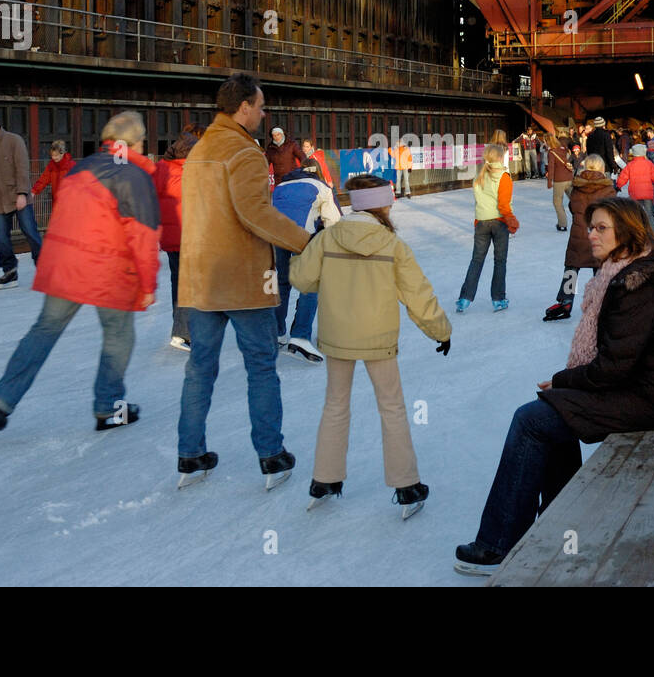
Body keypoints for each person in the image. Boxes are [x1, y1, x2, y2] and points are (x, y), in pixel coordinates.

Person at [455, 197, 654, 575]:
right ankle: (561, 519)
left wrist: (561, 380)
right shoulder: (636, 268)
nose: (591, 234)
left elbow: (612, 369)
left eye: (601, 228)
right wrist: (563, 387)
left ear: (627, 231)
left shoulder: (636, 284)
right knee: (554, 410)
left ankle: (498, 546)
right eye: (591, 227)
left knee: (533, 419)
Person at [0, 111, 161, 436]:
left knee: (44, 330)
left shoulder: (82, 168)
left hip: (65, 264)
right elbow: (143, 235)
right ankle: (108, 406)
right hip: (109, 269)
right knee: (119, 336)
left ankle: (0, 401)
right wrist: (147, 284)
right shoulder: (133, 175)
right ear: (134, 141)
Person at [176, 73, 312, 490]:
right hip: (243, 279)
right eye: (260, 105)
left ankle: (191, 454)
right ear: (243, 108)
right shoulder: (246, 153)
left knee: (200, 367)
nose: (264, 112)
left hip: (201, 276)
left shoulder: (198, 151)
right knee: (260, 366)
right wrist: (305, 240)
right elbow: (255, 214)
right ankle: (271, 455)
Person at [290, 174, 452, 515]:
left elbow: (302, 278)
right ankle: (406, 486)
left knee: (335, 405)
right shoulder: (392, 245)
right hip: (378, 339)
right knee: (391, 407)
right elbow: (417, 295)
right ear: (380, 204)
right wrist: (440, 331)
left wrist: (310, 258)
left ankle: (324, 479)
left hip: (337, 337)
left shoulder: (327, 238)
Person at [272, 157, 342, 362]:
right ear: (317, 172)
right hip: (302, 237)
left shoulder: (281, 185)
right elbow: (333, 222)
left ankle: (276, 332)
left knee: (282, 283)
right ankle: (300, 336)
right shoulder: (321, 186)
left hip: (276, 235)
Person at [543, 154, 616, 322]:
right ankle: (600, 302)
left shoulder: (577, 187)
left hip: (579, 235)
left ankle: (566, 302)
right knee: (600, 271)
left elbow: (572, 207)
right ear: (601, 168)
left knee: (572, 268)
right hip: (600, 237)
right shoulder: (608, 189)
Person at [153, 125, 206, 351]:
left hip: (170, 236)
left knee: (179, 281)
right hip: (190, 233)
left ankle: (181, 327)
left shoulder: (161, 168)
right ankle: (184, 333)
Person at [0, 113, 44, 290]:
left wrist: (22, 193)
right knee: (1, 238)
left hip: (17, 195)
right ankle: (10, 272)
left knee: (31, 233)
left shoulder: (14, 140)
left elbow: (22, 167)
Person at [457, 144, 517, 313]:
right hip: (499, 222)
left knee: (476, 260)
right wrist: (511, 220)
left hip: (481, 222)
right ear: (500, 158)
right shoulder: (504, 176)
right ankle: (498, 299)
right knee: (500, 261)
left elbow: (479, 201)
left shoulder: (479, 176)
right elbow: (504, 204)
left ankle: (464, 299)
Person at [616, 144, 654, 240]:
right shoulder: (649, 164)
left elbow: (623, 177)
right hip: (647, 195)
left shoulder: (630, 165)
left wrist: (618, 186)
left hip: (635, 194)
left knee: (635, 215)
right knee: (650, 215)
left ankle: (636, 236)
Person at [32, 140, 75, 205]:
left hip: (70, 201)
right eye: (52, 155)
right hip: (56, 202)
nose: (54, 157)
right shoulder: (51, 166)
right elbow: (43, 180)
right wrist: (33, 191)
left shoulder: (71, 165)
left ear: (62, 153)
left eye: (56, 155)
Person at [546, 135, 574, 231]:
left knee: (557, 202)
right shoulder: (564, 149)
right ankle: (581, 219)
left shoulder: (552, 152)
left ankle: (562, 224)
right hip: (569, 178)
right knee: (575, 200)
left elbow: (551, 168)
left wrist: (549, 181)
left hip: (559, 180)